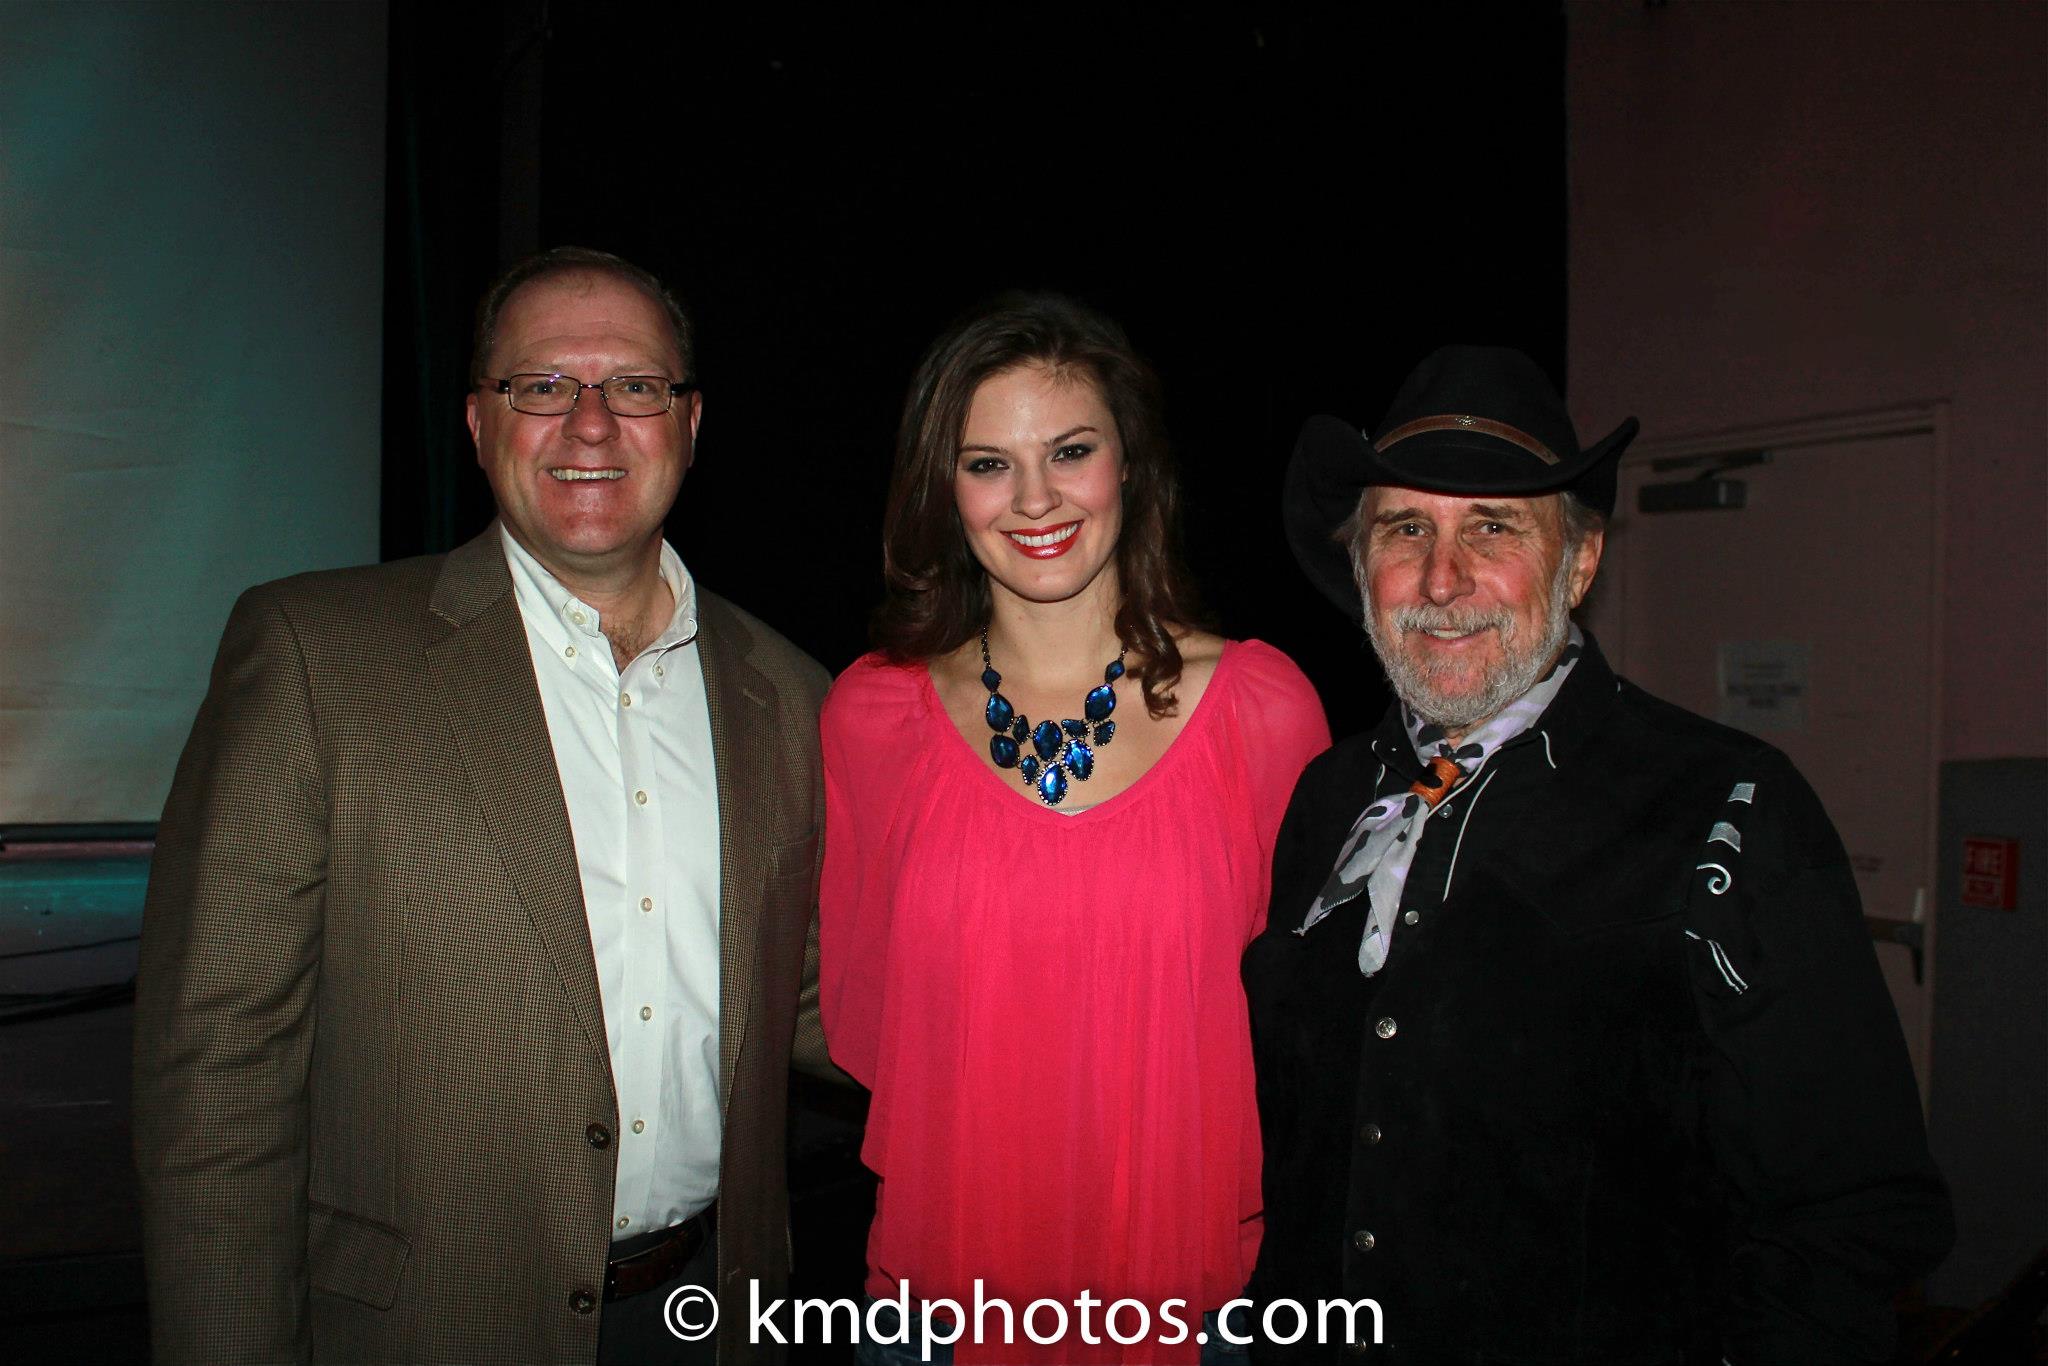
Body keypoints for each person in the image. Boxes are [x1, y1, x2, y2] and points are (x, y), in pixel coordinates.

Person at [133, 246, 830, 1366]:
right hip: (418, 1325)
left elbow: (814, 996)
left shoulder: (791, 693)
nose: (591, 422)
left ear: (690, 423)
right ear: (475, 421)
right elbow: (218, 1065)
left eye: (635, 386)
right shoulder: (317, 657)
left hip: (705, 1316)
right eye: (542, 385)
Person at [1242, 346, 1953, 1364]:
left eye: (1492, 526)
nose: (1442, 579)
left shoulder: (1731, 807)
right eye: (1406, 528)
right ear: (1362, 567)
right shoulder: (1324, 799)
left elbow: (1850, 1214)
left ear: (1577, 563)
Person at [820, 294, 1330, 1365]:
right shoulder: (871, 715)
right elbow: (862, 1026)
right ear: (940, 488)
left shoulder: (1264, 710)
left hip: (1199, 1313)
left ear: (1129, 465)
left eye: (1069, 450)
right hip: (932, 1314)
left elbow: (1310, 1037)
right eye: (987, 463)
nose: (1035, 498)